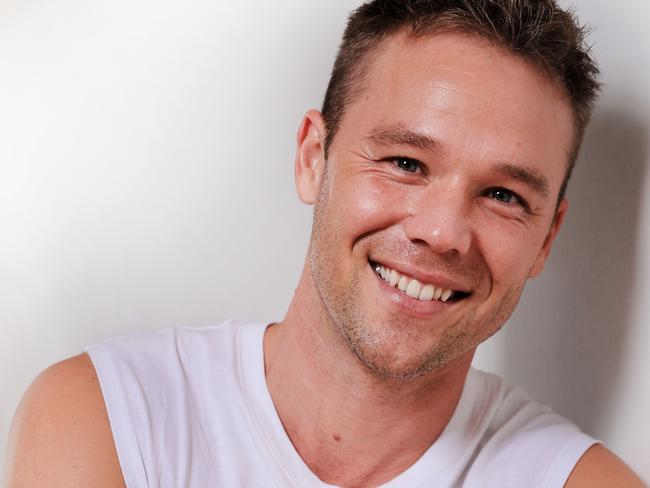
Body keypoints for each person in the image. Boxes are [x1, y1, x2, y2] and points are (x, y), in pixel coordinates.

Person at [4, 1, 645, 487]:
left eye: (504, 195)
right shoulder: (109, 419)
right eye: (405, 162)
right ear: (315, 158)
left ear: (545, 240)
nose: (442, 232)